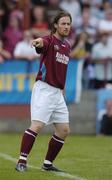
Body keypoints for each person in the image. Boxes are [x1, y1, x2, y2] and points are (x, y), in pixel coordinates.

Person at [15, 11, 72, 172]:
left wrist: (62, 89)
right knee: (37, 125)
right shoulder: (49, 40)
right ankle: (21, 161)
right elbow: (42, 42)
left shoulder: (67, 46)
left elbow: (62, 70)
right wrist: (37, 42)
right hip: (45, 89)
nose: (66, 26)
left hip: (57, 92)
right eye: (63, 23)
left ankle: (47, 164)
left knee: (64, 130)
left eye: (68, 24)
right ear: (55, 25)